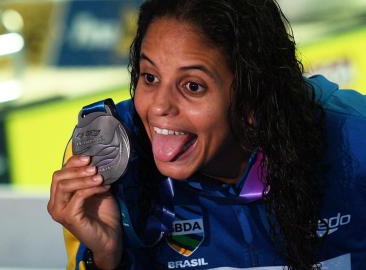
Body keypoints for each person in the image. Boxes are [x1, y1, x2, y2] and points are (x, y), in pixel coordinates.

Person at [47, 0, 366, 269]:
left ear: (253, 96)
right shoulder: (110, 162)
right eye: (150, 77)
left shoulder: (354, 139)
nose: (158, 106)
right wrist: (105, 257)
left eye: (193, 86)